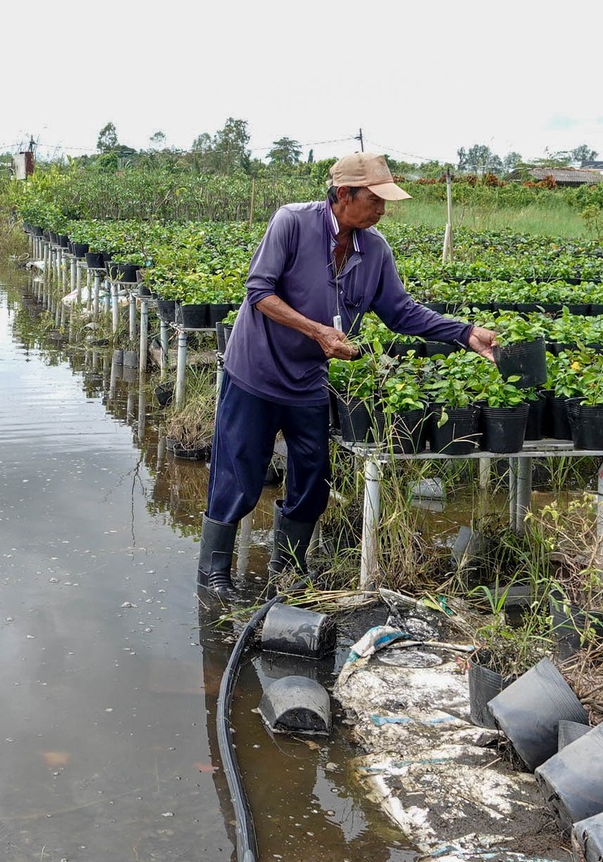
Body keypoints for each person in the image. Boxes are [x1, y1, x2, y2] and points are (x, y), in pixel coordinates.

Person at [197, 153, 498, 604]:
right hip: (255, 373)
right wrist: (317, 330)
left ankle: (288, 569)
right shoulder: (292, 223)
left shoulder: (374, 250)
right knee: (239, 475)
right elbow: (258, 291)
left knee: (313, 477)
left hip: (307, 381)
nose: (382, 210)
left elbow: (400, 312)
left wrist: (465, 333)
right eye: (375, 199)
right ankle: (214, 573)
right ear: (344, 195)